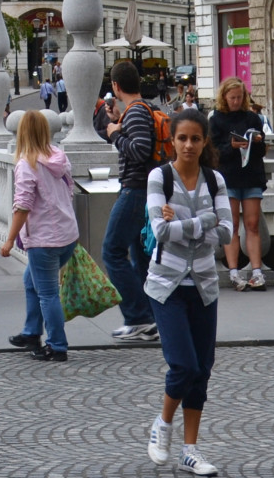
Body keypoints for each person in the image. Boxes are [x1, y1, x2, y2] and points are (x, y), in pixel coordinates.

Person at [143, 108, 232, 476]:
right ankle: (162, 425)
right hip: (166, 285)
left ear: (205, 141)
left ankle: (190, 450)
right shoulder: (159, 178)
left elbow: (226, 232)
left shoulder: (215, 180)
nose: (189, 145)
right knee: (184, 366)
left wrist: (184, 222)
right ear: (172, 141)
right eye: (182, 138)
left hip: (204, 286)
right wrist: (206, 221)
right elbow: (159, 232)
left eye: (196, 138)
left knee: (202, 371)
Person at [0, 108, 81, 361]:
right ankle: (31, 332)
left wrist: (10, 239)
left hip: (45, 239)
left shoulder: (27, 164)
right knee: (30, 281)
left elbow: (22, 206)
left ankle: (57, 346)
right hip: (67, 234)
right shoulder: (59, 156)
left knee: (48, 294)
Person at [103, 60, 162, 341]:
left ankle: (137, 315)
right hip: (144, 190)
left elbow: (139, 150)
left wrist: (115, 134)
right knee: (140, 257)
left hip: (135, 190)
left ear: (115, 86)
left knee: (112, 251)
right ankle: (149, 318)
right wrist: (118, 120)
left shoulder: (136, 113)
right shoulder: (141, 109)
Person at [208, 77, 269, 290]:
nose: (235, 101)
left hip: (250, 174)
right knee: (231, 224)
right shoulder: (216, 120)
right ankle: (234, 272)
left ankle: (257, 271)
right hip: (228, 176)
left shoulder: (253, 118)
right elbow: (213, 152)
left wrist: (258, 140)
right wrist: (231, 146)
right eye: (232, 97)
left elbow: (262, 151)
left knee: (252, 224)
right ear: (224, 97)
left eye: (239, 97)